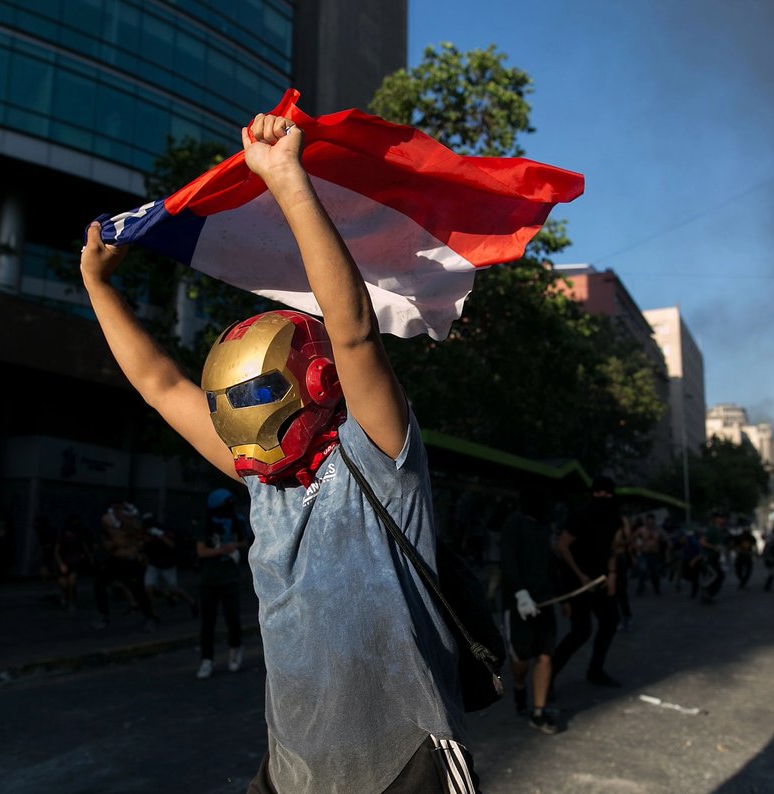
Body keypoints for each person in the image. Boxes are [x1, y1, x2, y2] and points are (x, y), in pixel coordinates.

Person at [81, 112, 479, 792]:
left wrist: (286, 177)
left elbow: (352, 329)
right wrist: (97, 285)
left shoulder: (380, 458)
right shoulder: (263, 482)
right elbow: (158, 385)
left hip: (405, 768)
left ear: (315, 381)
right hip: (290, 774)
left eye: (255, 391)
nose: (239, 417)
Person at [552, 476, 624, 687]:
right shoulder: (581, 515)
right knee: (580, 632)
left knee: (610, 622)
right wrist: (580, 575)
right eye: (598, 493)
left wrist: (612, 575)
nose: (603, 497)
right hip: (578, 582)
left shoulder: (613, 517)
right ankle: (548, 677)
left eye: (607, 493)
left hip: (600, 580)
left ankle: (596, 670)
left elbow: (614, 547)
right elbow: (562, 546)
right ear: (592, 493)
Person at [499, 492, 559, 735]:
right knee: (521, 660)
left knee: (545, 656)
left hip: (545, 603)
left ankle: (538, 712)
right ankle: (521, 685)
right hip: (519, 606)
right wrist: (521, 593)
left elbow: (551, 563)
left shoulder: (545, 528)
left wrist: (562, 595)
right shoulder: (513, 525)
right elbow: (509, 561)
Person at [196, 488, 249, 678]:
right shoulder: (206, 524)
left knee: (232, 619)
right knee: (208, 622)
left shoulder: (236, 521)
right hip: (209, 579)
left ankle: (235, 649)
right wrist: (223, 550)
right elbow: (201, 551)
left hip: (230, 578)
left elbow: (245, 541)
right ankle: (206, 659)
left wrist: (234, 547)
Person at [91, 501, 157, 631]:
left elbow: (143, 537)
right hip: (116, 559)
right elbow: (106, 536)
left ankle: (149, 618)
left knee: (137, 590)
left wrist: (137, 545)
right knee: (99, 583)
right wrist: (110, 544)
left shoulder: (133, 523)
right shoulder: (108, 520)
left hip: (132, 561)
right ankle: (103, 615)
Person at [142, 512, 198, 618]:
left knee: (174, 588)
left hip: (167, 565)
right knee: (148, 588)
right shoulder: (145, 533)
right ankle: (153, 614)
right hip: (153, 564)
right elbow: (143, 545)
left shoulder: (163, 531)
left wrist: (160, 535)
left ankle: (192, 602)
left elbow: (172, 545)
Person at [54, 514, 89, 611]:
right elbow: (56, 550)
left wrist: (85, 556)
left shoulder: (80, 533)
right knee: (64, 584)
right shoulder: (62, 534)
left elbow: (83, 546)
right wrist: (61, 563)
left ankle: (71, 601)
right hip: (64, 560)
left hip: (75, 561)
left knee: (72, 583)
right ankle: (65, 596)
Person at [699, 511, 728, 604]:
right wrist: (714, 547)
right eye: (720, 518)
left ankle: (709, 595)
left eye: (723, 518)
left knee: (720, 576)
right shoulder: (712, 529)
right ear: (716, 519)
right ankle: (705, 591)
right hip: (709, 557)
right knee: (715, 575)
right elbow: (702, 541)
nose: (722, 520)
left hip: (717, 558)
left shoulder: (722, 530)